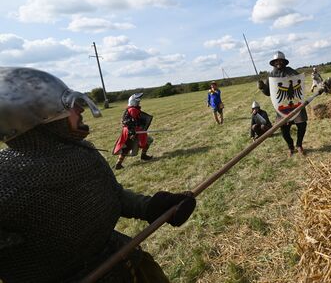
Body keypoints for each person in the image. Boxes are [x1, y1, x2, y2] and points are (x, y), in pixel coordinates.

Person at [0, 67, 196, 283]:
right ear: (41, 118)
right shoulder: (5, 182)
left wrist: (153, 207)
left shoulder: (83, 152)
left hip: (126, 262)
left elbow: (113, 195)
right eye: (71, 106)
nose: (81, 110)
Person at [258, 51, 308, 156]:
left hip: (295, 103)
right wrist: (262, 87)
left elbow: (298, 82)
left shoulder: (291, 72)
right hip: (282, 106)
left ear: (284, 62)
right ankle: (290, 146)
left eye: (280, 60)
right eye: (276, 61)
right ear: (274, 62)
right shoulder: (271, 75)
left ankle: (299, 145)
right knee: (284, 130)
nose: (278, 62)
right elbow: (268, 93)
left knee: (302, 124)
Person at [112, 93, 154, 170]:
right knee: (127, 146)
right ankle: (118, 164)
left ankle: (119, 163)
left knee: (129, 146)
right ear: (133, 102)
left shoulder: (131, 109)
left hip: (132, 131)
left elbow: (134, 121)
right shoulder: (132, 110)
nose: (139, 103)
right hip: (131, 131)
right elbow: (128, 122)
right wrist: (132, 132)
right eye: (138, 102)